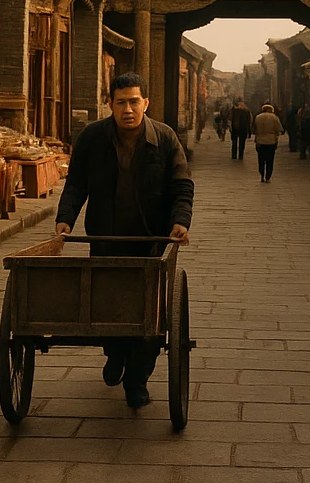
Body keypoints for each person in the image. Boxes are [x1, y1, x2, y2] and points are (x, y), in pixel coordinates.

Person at [56, 72, 194, 409]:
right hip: (105, 235)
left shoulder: (164, 138)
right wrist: (64, 220)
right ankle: (115, 351)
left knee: (148, 312)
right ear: (110, 104)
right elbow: (76, 184)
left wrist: (180, 221)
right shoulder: (92, 137)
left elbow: (181, 184)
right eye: (121, 102)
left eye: (134, 102)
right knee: (106, 303)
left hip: (150, 240)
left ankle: (137, 380)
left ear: (146, 103)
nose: (128, 109)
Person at [253, 103, 283, 182]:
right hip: (271, 141)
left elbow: (254, 129)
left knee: (261, 159)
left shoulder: (258, 117)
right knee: (270, 160)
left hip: (260, 141)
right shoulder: (274, 117)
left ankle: (262, 174)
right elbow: (279, 129)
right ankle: (268, 176)